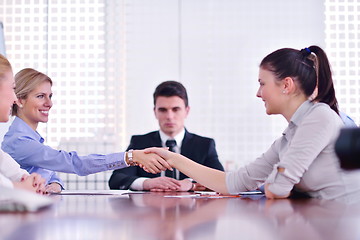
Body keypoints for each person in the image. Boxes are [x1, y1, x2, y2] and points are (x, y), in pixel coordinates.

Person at [146, 46, 360, 200]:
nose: (258, 93)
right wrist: (173, 159)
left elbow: (277, 189)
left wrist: (276, 182)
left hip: (341, 223)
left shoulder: (319, 117)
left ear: (286, 85)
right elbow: (236, 182)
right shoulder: (290, 136)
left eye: (262, 83)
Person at [2, 68, 171, 193]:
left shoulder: (31, 139)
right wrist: (130, 157)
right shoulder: (20, 142)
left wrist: (54, 186)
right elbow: (75, 164)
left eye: (50, 96)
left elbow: (53, 178)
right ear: (20, 100)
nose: (49, 103)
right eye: (41, 96)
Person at [108, 81, 224, 191]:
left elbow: (221, 181)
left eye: (175, 109)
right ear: (155, 112)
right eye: (163, 110)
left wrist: (190, 184)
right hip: (150, 209)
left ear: (187, 111)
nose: (169, 116)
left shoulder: (204, 145)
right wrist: (146, 183)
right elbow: (116, 180)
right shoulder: (140, 142)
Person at [0, 55, 46, 194]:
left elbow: (5, 163)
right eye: (12, 88)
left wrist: (26, 179)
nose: (15, 98)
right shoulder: (18, 139)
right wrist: (19, 188)